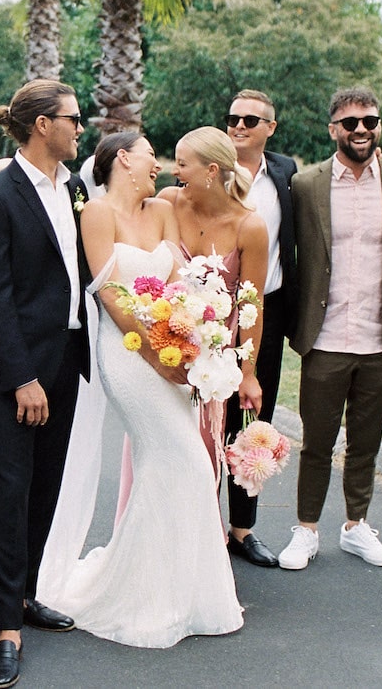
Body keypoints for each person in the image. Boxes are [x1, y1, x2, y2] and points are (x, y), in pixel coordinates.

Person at [48, 131, 245, 647]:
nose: (158, 162)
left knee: (188, 466)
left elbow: (181, 280)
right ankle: (143, 598)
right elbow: (108, 292)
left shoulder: (160, 210)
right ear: (121, 159)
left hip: (176, 352)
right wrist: (156, 353)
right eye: (150, 153)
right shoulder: (96, 213)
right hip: (128, 355)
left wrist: (200, 332)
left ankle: (188, 593)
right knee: (179, 459)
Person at [0, 79, 91, 689]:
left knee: (46, 487)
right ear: (43, 124)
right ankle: (7, 629)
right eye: (72, 118)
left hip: (68, 358)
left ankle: (29, 593)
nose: (80, 127)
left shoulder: (75, 187)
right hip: (19, 371)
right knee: (12, 493)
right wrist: (22, 379)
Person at [277, 87, 382, 571]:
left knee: (367, 441)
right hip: (325, 336)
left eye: (370, 121)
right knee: (317, 442)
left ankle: (357, 526)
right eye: (350, 122)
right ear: (333, 128)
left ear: (379, 126)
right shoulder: (306, 185)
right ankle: (306, 529)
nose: (361, 129)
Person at [157, 123, 270, 517]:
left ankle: (203, 544)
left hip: (214, 366)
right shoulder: (168, 202)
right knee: (163, 454)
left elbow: (252, 305)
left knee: (204, 454)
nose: (175, 170)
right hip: (166, 352)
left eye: (183, 163)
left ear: (211, 171)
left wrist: (248, 373)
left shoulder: (250, 226)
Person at [216, 90, 298, 567]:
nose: (239, 125)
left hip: (264, 314)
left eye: (251, 119)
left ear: (271, 127)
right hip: (205, 318)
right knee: (207, 422)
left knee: (251, 418)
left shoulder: (287, 175)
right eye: (233, 118)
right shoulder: (208, 169)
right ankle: (204, 524)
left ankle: (243, 529)